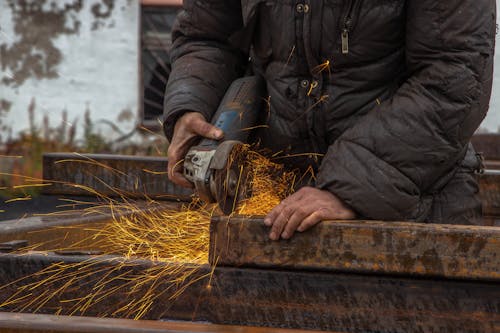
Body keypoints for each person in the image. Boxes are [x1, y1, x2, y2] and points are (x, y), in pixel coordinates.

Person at [163, 0, 496, 240]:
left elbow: (454, 80)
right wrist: (192, 106)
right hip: (275, 206)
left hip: (415, 209)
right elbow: (207, 37)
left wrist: (348, 188)